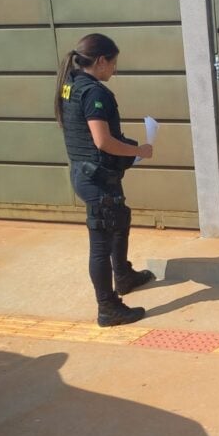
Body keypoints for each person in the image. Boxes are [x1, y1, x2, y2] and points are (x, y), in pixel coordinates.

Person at [55, 34, 155, 327]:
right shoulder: (94, 93)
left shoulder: (70, 83)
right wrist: (138, 151)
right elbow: (103, 141)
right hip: (96, 178)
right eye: (113, 63)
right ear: (100, 61)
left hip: (89, 172)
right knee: (100, 244)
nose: (114, 69)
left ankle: (123, 275)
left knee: (119, 219)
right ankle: (107, 307)